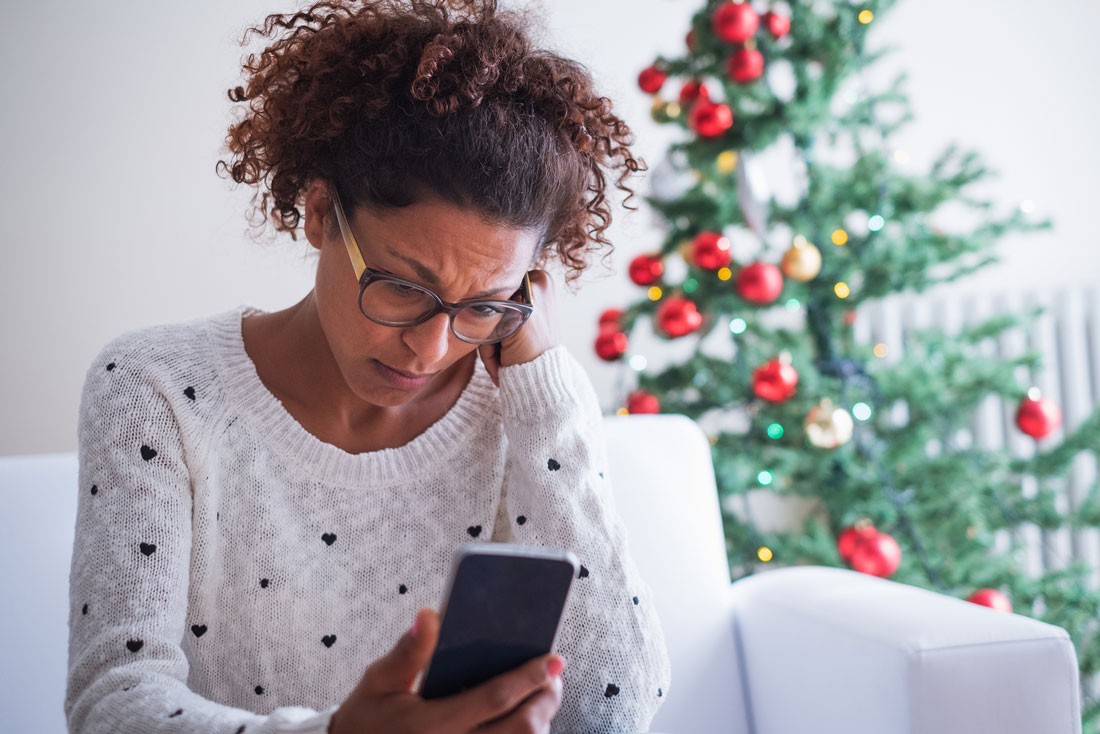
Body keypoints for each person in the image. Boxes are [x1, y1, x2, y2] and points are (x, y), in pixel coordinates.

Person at [64, 0, 671, 732]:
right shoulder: (157, 388)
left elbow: (618, 714)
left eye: (483, 305)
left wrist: (546, 393)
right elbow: (113, 702)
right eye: (403, 288)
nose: (432, 347)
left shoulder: (528, 409)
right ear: (321, 213)